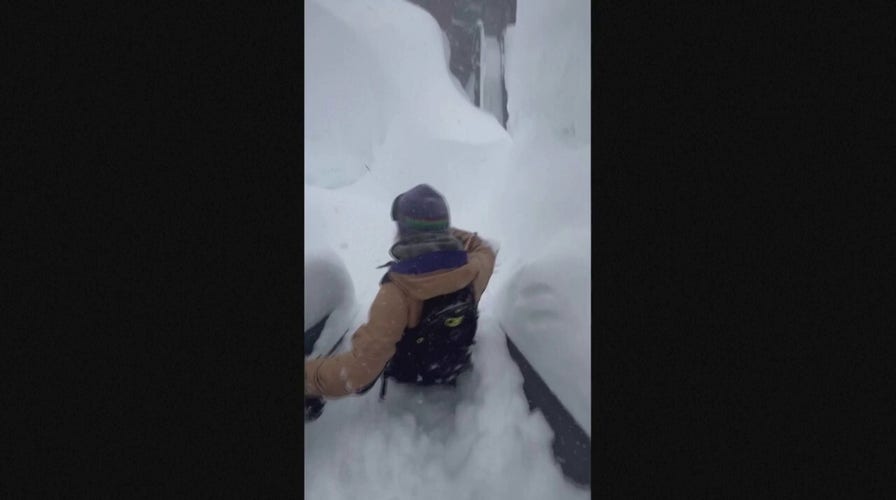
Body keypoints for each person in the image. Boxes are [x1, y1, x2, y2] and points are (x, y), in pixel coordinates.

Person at [304, 184, 497, 419]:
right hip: (452, 364)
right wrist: (440, 231)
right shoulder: (474, 269)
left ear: (405, 232)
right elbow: (484, 247)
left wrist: (309, 376)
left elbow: (358, 373)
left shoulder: (397, 292)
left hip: (411, 374)